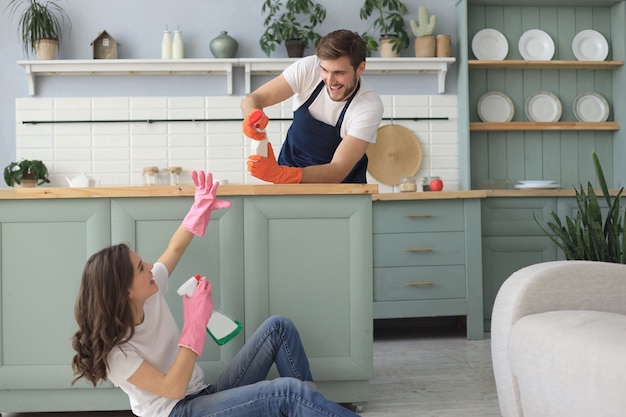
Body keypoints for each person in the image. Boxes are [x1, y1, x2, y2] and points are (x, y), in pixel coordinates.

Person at [70, 170, 361, 417]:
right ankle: (306, 405)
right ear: (126, 291)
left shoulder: (151, 288)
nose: (150, 266)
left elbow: (174, 248)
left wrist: (199, 209)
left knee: (279, 328)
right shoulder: (117, 353)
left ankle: (308, 409)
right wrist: (194, 325)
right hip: (178, 411)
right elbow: (173, 388)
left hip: (203, 394)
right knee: (287, 392)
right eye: (140, 267)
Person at [242, 29, 384, 184]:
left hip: (342, 190)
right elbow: (254, 99)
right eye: (325, 70)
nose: (330, 81)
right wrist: (252, 117)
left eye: (339, 72)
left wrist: (281, 174)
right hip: (289, 177)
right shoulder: (309, 68)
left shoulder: (368, 106)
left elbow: (337, 170)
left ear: (360, 68)